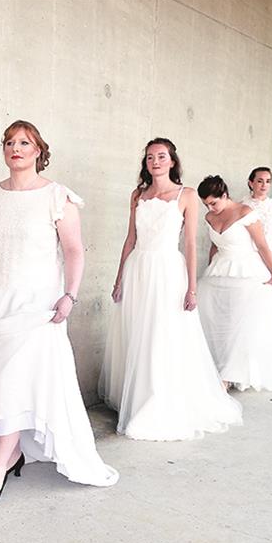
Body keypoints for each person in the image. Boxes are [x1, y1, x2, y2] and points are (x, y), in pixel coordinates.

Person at [0, 120, 118, 502]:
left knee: (14, 381)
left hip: (36, 305)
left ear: (38, 150)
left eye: (24, 142)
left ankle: (0, 465)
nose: (15, 148)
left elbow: (73, 250)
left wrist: (69, 295)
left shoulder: (57, 196)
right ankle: (13, 451)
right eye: (9, 142)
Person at [98, 138, 241, 440]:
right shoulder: (137, 194)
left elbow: (190, 244)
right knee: (137, 331)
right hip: (138, 269)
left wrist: (192, 287)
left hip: (166, 271)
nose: (155, 161)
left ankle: (157, 400)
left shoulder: (186, 195)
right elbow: (129, 239)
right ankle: (137, 398)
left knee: (160, 333)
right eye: (150, 157)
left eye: (161, 156)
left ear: (172, 161)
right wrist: (119, 278)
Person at [196, 176, 272, 391]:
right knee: (217, 320)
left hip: (246, 271)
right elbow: (214, 247)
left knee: (240, 324)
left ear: (225, 195)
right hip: (220, 270)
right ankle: (215, 366)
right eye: (206, 204)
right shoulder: (209, 216)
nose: (210, 208)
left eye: (214, 202)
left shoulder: (245, 212)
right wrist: (209, 270)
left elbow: (262, 245)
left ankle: (230, 374)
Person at [240, 167, 272, 278]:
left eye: (268, 181)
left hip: (268, 259)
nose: (264, 185)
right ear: (251, 183)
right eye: (260, 181)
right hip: (244, 257)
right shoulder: (240, 207)